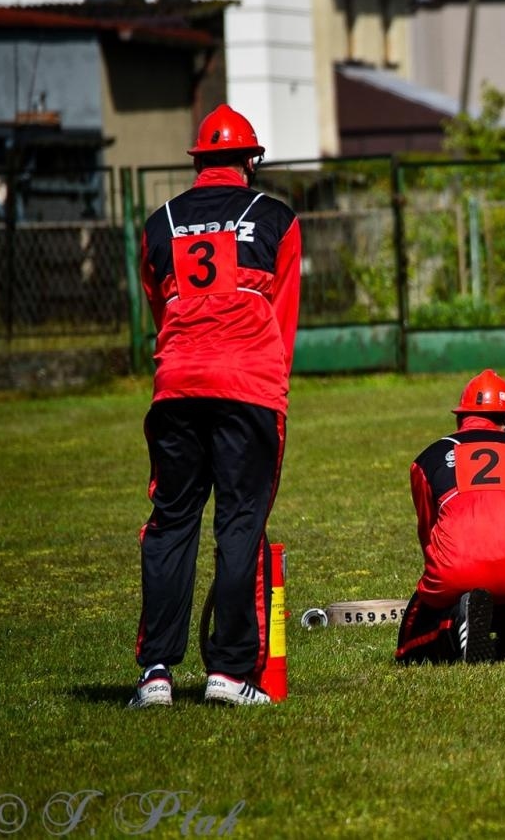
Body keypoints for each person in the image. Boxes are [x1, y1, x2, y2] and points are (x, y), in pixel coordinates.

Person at [131, 105, 301, 707]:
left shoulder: (158, 224)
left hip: (177, 386)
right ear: (250, 160)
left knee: (171, 524)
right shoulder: (276, 218)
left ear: (198, 161)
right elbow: (283, 318)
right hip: (249, 386)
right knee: (239, 524)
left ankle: (155, 673)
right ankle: (228, 672)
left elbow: (159, 311)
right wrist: (272, 386)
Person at [395, 369, 505, 665]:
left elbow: (429, 536)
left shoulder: (427, 459)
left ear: (461, 417)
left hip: (455, 569)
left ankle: (457, 621)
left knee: (407, 650)